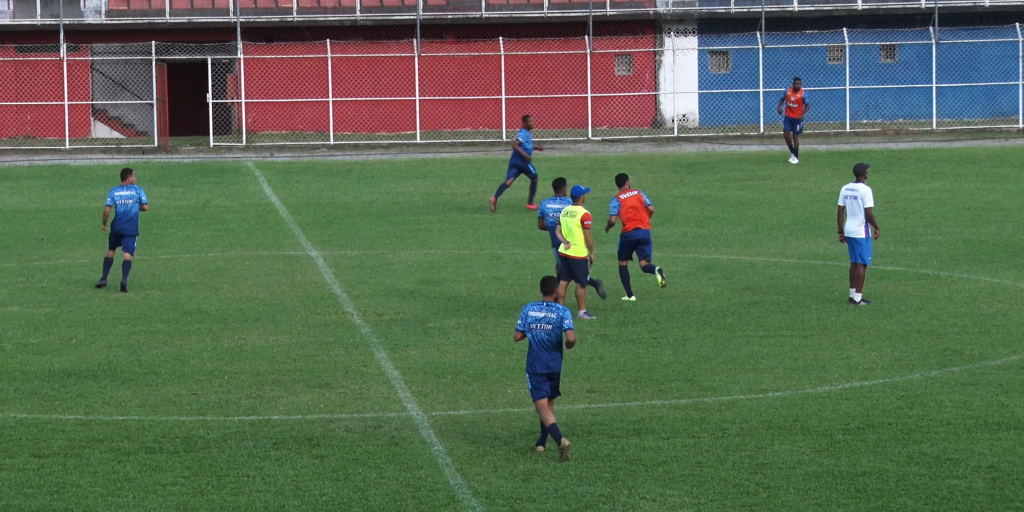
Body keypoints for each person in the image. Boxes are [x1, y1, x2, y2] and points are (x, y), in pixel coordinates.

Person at [514, 275, 576, 462]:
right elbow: (571, 338)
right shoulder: (562, 311)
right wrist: (568, 345)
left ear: (541, 290)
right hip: (555, 364)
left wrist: (532, 331)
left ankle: (560, 440)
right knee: (549, 404)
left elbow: (517, 336)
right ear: (556, 291)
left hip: (536, 365)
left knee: (541, 407)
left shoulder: (529, 309)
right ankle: (541, 442)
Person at [605, 173, 665, 301]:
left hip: (628, 234)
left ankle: (630, 295)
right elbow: (651, 209)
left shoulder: (616, 199)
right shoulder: (639, 193)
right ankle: (655, 270)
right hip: (644, 232)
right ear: (627, 182)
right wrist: (644, 219)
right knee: (644, 264)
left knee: (622, 263)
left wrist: (608, 227)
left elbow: (613, 220)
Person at [555, 185, 605, 320]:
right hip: (577, 253)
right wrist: (592, 252)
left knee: (564, 281)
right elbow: (587, 236)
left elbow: (557, 231)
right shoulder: (585, 214)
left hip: (564, 252)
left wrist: (564, 242)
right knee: (581, 283)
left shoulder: (565, 211)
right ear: (582, 197)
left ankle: (560, 311)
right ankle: (582, 312)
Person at [97, 168, 149, 293]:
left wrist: (104, 223)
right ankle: (124, 279)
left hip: (116, 227)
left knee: (110, 251)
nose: (135, 179)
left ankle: (103, 278)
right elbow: (146, 207)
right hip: (130, 228)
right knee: (127, 255)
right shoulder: (137, 190)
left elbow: (107, 210)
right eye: (134, 176)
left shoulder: (114, 191)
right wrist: (136, 208)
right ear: (128, 178)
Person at [837, 163, 880, 306]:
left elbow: (840, 211)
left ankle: (852, 295)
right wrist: (877, 227)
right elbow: (868, 213)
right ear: (864, 174)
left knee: (854, 263)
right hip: (861, 232)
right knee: (862, 264)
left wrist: (840, 231)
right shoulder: (865, 190)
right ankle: (857, 298)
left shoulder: (845, 188)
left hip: (849, 230)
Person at [491, 114, 543, 213]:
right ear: (524, 123)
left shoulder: (525, 133)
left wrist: (537, 148)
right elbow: (515, 144)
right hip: (522, 161)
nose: (533, 123)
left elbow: (525, 146)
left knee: (509, 182)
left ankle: (495, 198)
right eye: (530, 121)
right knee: (534, 177)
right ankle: (530, 203)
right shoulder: (523, 133)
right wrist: (525, 155)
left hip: (514, 160)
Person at [537, 178, 574, 275]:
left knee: (563, 265)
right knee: (567, 266)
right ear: (564, 188)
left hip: (555, 240)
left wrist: (552, 227)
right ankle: (594, 283)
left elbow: (540, 225)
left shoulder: (544, 204)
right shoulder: (570, 203)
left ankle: (558, 287)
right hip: (571, 239)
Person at [777, 77, 811, 164]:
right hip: (788, 116)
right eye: (796, 84)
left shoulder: (803, 94)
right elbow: (782, 99)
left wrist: (802, 115)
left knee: (796, 136)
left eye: (799, 84)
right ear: (793, 84)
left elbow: (807, 105)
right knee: (786, 134)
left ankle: (796, 156)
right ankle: (792, 152)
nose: (798, 85)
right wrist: (779, 107)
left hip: (797, 118)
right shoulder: (787, 91)